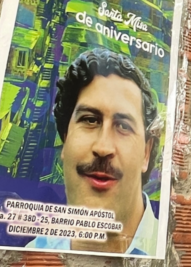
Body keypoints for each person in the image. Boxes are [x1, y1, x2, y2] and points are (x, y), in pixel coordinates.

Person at [29, 48, 160, 255]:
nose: (103, 147)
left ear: (146, 152)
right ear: (65, 138)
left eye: (124, 126)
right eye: (90, 120)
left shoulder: (174, 253)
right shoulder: (32, 255)